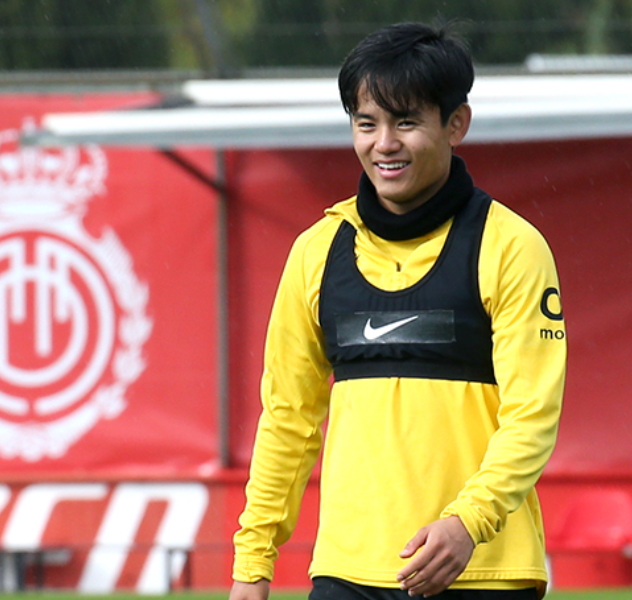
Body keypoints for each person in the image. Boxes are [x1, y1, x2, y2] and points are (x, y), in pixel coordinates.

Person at [229, 22, 566, 600]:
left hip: (480, 571)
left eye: (406, 122)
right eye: (366, 124)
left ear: (456, 123)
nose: (383, 143)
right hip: (347, 575)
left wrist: (468, 521)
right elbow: (288, 418)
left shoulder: (511, 247)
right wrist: (252, 564)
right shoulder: (316, 251)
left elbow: (532, 416)